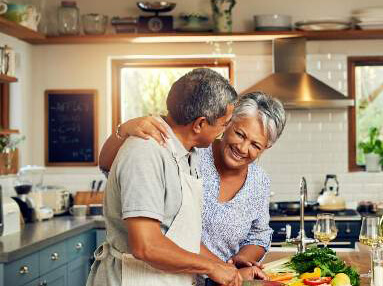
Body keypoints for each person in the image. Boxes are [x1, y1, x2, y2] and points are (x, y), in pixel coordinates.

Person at [99, 92, 287, 275]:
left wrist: (238, 262)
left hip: (224, 279)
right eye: (240, 134)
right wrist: (122, 130)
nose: (243, 148)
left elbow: (259, 233)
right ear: (227, 123)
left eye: (256, 145)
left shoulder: (259, 181)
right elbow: (110, 165)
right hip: (169, 274)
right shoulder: (193, 152)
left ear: (266, 148)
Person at [87, 68, 243, 286]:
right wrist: (211, 267)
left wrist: (228, 270)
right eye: (224, 124)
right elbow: (146, 245)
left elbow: (180, 237)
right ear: (199, 124)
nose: (224, 132)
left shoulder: (187, 153)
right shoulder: (145, 153)